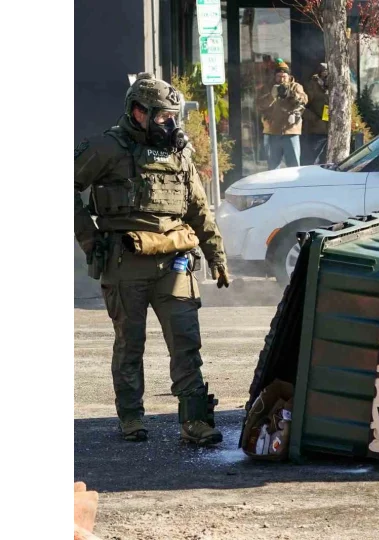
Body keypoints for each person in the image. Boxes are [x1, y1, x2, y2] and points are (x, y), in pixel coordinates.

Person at [74, 72, 231, 446]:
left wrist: (217, 256)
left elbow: (198, 208)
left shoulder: (179, 152)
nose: (170, 124)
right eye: (163, 116)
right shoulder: (106, 148)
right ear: (138, 112)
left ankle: (195, 421)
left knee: (186, 341)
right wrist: (89, 238)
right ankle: (131, 417)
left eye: (174, 116)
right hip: (124, 263)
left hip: (174, 262)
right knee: (130, 343)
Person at [257, 59, 308, 169]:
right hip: (272, 131)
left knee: (294, 165)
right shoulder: (268, 87)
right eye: (279, 76)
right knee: (273, 166)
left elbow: (304, 100)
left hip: (290, 131)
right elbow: (259, 105)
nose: (281, 79)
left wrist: (293, 95)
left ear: (289, 76)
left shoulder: (295, 86)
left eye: (284, 76)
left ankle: (294, 185)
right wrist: (271, 96)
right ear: (275, 77)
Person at [302, 62, 330, 165]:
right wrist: (314, 119)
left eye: (328, 72)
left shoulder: (334, 86)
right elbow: (302, 107)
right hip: (316, 130)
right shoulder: (312, 86)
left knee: (328, 161)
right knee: (313, 159)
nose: (326, 75)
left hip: (332, 130)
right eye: (324, 72)